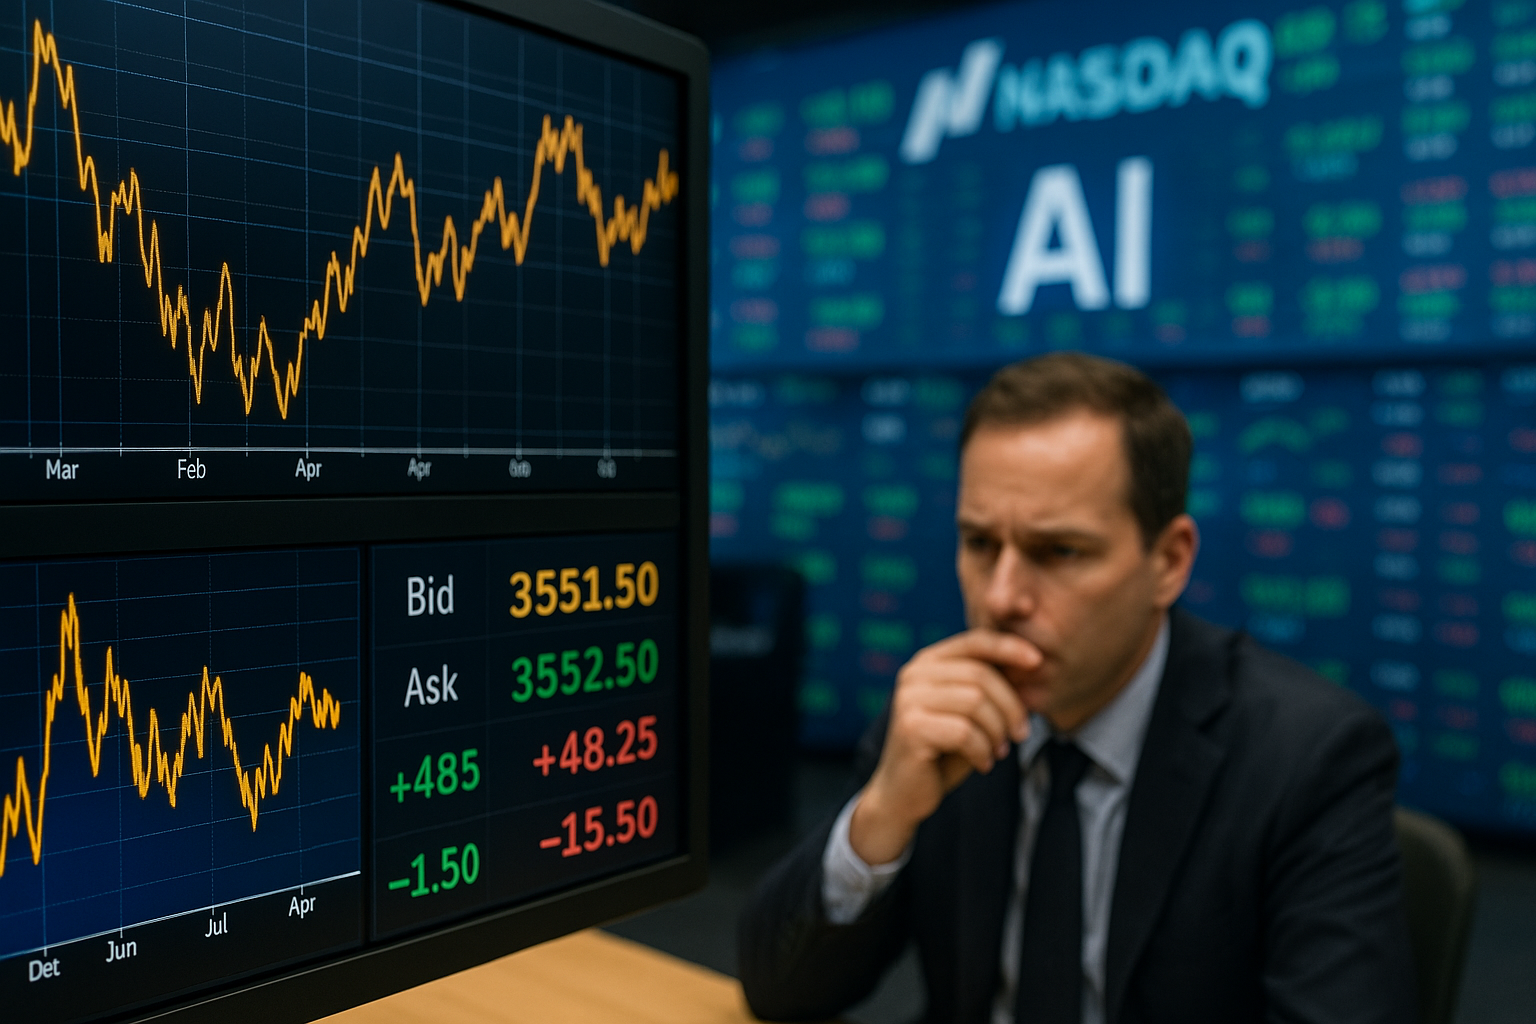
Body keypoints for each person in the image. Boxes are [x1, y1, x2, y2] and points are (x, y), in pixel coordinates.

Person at [737, 353, 1414, 1024]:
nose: (1001, 598)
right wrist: (881, 815)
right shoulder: (939, 719)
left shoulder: (1308, 759)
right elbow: (776, 990)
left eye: (1060, 552)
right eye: (979, 543)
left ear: (1169, 562)